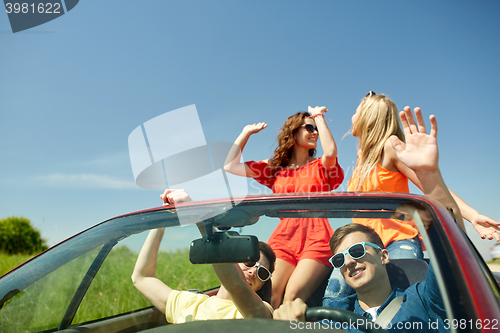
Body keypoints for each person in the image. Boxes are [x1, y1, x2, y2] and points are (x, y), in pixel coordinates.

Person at [274, 106, 462, 332]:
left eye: (356, 252)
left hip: (399, 237)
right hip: (366, 238)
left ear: (382, 255)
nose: (349, 261)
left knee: (406, 274)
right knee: (334, 295)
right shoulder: (334, 322)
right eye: (339, 260)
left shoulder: (421, 300)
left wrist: (430, 175)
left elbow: (451, 243)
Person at [323, 94, 500, 307]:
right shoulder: (363, 158)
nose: (351, 116)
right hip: (362, 246)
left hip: (397, 240)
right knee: (335, 295)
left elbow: (430, 184)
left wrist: (472, 217)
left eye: (356, 111)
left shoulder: (389, 147)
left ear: (369, 117)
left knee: (404, 299)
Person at [223, 107, 344, 308]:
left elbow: (330, 151)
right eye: (308, 127)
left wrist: (318, 117)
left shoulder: (321, 167)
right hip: (283, 239)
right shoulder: (275, 169)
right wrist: (246, 133)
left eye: (316, 128)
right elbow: (230, 166)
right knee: (270, 296)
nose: (314, 132)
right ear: (293, 131)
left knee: (292, 298)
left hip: (317, 238)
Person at [132, 189, 276, 323]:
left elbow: (236, 286)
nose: (253, 272)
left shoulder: (262, 314)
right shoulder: (190, 303)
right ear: (234, 259)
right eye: (249, 262)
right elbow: (142, 277)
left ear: (262, 285)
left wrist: (198, 215)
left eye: (262, 272)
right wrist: (162, 219)